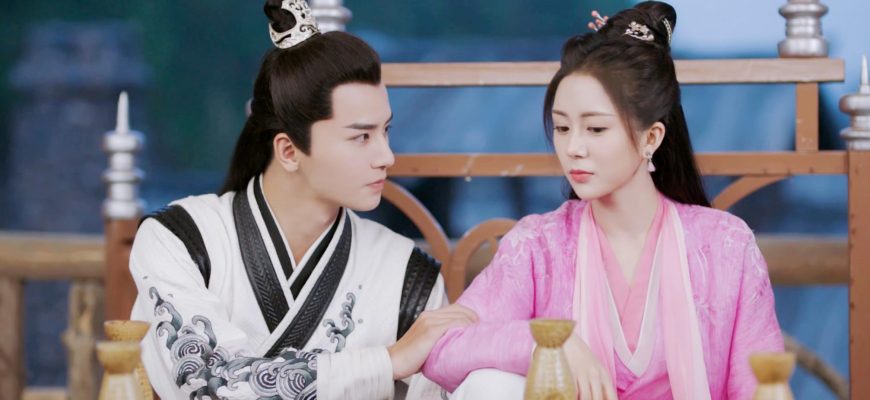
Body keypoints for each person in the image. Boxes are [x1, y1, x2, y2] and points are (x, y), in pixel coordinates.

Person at [422, 2, 783, 399]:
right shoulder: (538, 246)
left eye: (595, 129)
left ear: (651, 138)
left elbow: (760, 387)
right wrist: (545, 344)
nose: (573, 148)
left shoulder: (725, 246)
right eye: (562, 128)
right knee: (490, 384)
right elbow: (444, 350)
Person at [129, 1, 475, 398]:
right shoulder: (180, 241)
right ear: (289, 150)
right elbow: (210, 383)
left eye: (386, 132)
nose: (386, 157)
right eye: (361, 137)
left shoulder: (408, 275)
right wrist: (389, 362)